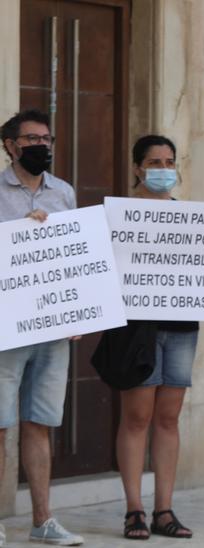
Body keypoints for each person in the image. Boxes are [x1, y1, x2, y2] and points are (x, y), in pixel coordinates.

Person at [116, 135, 204, 540]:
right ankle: (133, 509)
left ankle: (164, 508)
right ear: (138, 168)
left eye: (169, 161)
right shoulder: (121, 216)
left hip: (180, 327)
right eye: (154, 162)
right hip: (136, 329)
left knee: (168, 416)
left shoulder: (189, 216)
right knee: (137, 416)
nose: (163, 169)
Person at [0, 109, 84, 546]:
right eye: (32, 138)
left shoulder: (63, 193)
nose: (42, 145)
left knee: (40, 421)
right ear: (10, 145)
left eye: (47, 138)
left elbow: (74, 259)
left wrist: (80, 311)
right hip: (5, 329)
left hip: (52, 329)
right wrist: (19, 233)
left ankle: (43, 520)